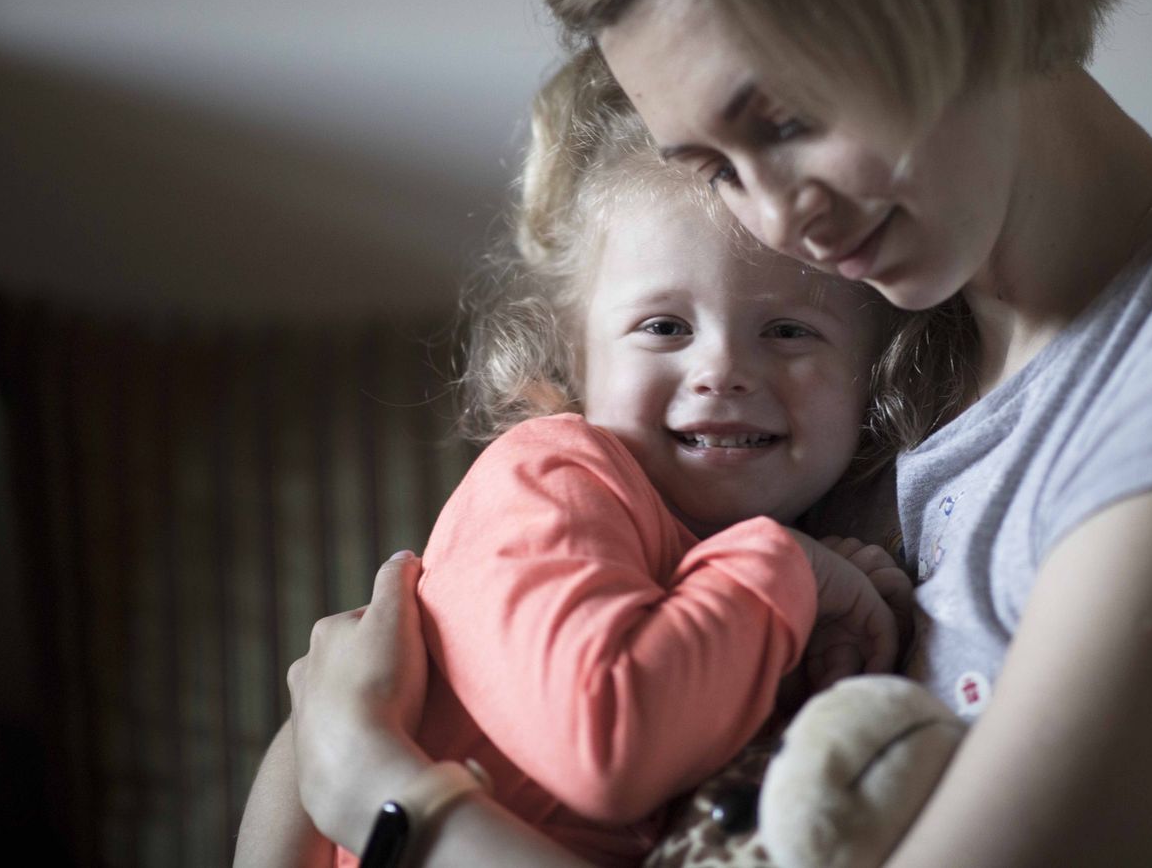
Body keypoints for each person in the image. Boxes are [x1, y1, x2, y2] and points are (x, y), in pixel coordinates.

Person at [278, 0, 1152, 865]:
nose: (779, 219)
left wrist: (386, 798)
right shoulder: (875, 346)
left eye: (784, 118)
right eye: (714, 166)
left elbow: (364, 756)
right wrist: (322, 759)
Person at [235, 53, 973, 867]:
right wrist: (783, 570)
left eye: (790, 331)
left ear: (869, 377)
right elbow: (610, 744)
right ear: (574, 359)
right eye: (663, 327)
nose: (721, 370)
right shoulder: (550, 475)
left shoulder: (810, 537)